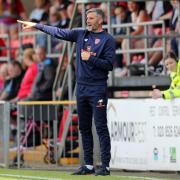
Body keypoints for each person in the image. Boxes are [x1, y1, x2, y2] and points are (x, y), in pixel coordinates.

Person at [17, 8, 116, 176]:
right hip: (81, 88)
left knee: (100, 127)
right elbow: (58, 32)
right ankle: (89, 165)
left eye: (91, 18)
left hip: (97, 88)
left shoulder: (108, 40)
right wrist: (36, 25)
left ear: (100, 20)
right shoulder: (80, 34)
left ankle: (105, 166)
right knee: (84, 128)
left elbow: (109, 65)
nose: (88, 21)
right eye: (87, 18)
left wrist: (90, 58)